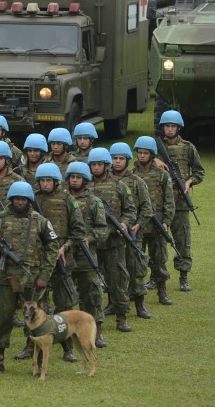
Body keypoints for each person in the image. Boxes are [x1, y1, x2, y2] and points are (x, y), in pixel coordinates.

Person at [0, 182, 59, 374]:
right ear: (11, 199)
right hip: (4, 277)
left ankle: (39, 361)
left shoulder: (40, 221)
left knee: (38, 320)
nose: (20, 202)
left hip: (31, 277)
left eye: (24, 199)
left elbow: (52, 248)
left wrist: (45, 275)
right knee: (2, 317)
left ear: (29, 200)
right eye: (17, 199)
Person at [14, 162, 86, 363]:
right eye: (42, 180)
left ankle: (68, 347)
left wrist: (65, 246)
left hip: (61, 260)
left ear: (56, 182)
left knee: (64, 305)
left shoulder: (68, 200)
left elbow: (79, 231)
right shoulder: (32, 199)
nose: (45, 184)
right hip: (37, 262)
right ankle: (31, 345)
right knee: (35, 305)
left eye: (48, 181)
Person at [88, 147, 137, 333]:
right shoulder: (85, 186)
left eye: (99, 164)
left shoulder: (119, 186)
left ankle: (121, 316)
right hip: (92, 241)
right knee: (93, 281)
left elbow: (130, 210)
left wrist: (124, 223)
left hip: (114, 240)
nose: (96, 168)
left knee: (118, 278)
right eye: (93, 164)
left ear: (106, 166)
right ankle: (94, 317)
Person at [159, 110, 205, 292]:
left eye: (173, 126)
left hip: (180, 202)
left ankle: (183, 276)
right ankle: (157, 276)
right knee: (157, 243)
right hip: (159, 202)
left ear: (178, 128)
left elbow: (199, 172)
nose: (169, 130)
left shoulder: (188, 147)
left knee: (182, 240)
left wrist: (189, 181)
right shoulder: (154, 147)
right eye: (166, 126)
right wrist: (156, 161)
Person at [65, 162, 108, 348]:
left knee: (92, 294)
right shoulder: (62, 199)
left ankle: (96, 332)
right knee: (65, 296)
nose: (75, 180)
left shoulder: (94, 202)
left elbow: (102, 228)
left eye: (78, 177)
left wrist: (89, 238)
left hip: (85, 255)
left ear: (85, 180)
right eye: (72, 177)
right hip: (65, 255)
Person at [109, 142, 154, 320]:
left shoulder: (137, 182)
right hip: (112, 235)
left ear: (127, 161)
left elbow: (147, 208)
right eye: (114, 159)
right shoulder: (105, 182)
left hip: (133, 233)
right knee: (113, 271)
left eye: (121, 159)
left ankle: (139, 304)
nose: (117, 162)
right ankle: (113, 303)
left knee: (136, 269)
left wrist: (137, 226)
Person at [133, 136, 175, 306]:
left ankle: (162, 290)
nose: (142, 156)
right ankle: (135, 292)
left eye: (145, 153)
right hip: (138, 224)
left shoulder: (162, 175)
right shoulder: (132, 174)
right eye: (140, 153)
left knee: (159, 260)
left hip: (157, 223)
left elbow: (169, 200)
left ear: (152, 155)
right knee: (137, 261)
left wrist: (166, 221)